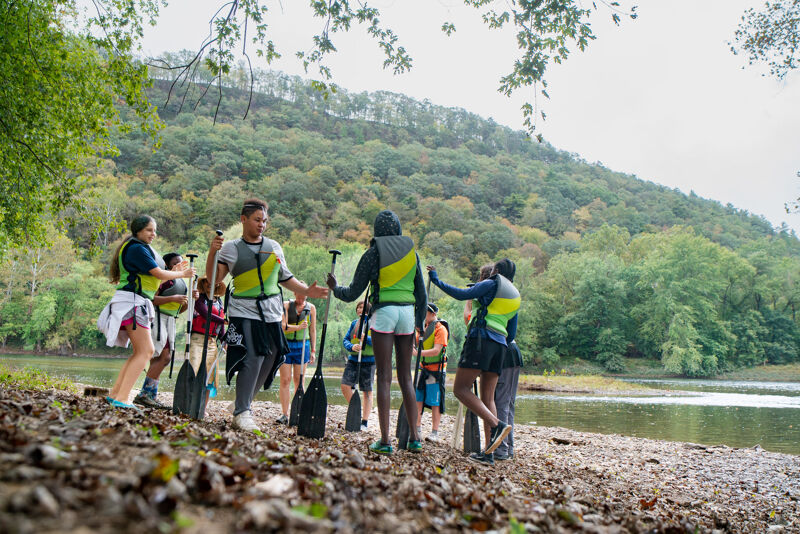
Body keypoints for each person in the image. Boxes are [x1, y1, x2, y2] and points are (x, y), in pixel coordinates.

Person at [206, 198, 327, 432]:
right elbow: (213, 280)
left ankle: (243, 402)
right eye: (257, 220)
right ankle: (242, 412)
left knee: (271, 356)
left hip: (271, 312)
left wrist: (306, 291)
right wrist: (212, 253)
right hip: (245, 311)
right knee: (253, 357)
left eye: (265, 221)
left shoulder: (274, 246)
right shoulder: (231, 248)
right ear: (244, 220)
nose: (262, 224)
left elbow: (285, 277)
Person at [327, 210, 427, 455]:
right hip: (406, 314)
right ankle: (415, 438)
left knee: (383, 376)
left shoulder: (373, 253)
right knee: (405, 377)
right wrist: (420, 323)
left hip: (384, 313)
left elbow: (353, 292)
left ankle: (385, 441)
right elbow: (422, 294)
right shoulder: (412, 255)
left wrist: (334, 288)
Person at [427, 258, 520, 465]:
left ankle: (497, 425)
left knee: (460, 389)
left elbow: (462, 294)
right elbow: (511, 332)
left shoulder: (492, 283)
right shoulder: (514, 296)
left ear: (496, 270)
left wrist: (436, 280)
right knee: (489, 399)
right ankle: (489, 454)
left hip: (480, 340)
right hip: (501, 347)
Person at [98, 216, 195, 409]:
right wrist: (182, 274)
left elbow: (154, 282)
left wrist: (174, 271)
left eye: (154, 230)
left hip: (134, 302)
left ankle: (116, 394)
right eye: (150, 230)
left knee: (140, 352)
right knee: (146, 351)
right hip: (132, 303)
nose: (154, 234)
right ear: (139, 231)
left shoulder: (137, 248)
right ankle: (121, 398)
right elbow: (159, 273)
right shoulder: (136, 249)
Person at [132, 252, 193, 409]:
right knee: (164, 357)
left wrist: (190, 299)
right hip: (158, 319)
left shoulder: (181, 283)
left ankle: (151, 394)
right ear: (166, 265)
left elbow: (179, 309)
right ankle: (145, 394)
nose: (179, 266)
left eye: (180, 263)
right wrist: (172, 298)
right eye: (174, 263)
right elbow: (150, 299)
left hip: (170, 320)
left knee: (162, 358)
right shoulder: (164, 281)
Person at [187, 276, 227, 417]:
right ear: (203, 284)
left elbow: (220, 327)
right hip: (197, 339)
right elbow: (205, 313)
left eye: (213, 281)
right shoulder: (199, 299)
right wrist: (224, 320)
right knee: (194, 370)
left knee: (209, 376)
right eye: (207, 281)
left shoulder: (220, 302)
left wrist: (224, 340)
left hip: (211, 342)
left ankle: (202, 408)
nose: (210, 283)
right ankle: (188, 403)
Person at [277, 290, 317, 424]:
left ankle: (298, 412)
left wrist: (313, 350)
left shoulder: (311, 308)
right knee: (285, 380)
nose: (301, 300)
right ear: (295, 294)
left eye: (304, 297)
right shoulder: (286, 305)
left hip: (302, 346)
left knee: (299, 381)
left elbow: (312, 330)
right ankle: (285, 414)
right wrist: (299, 327)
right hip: (286, 345)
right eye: (299, 297)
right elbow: (283, 327)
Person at [415, 303, 449, 442]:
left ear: (433, 314)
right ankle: (417, 428)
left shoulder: (440, 329)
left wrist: (417, 353)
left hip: (436, 371)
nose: (424, 315)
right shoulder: (421, 329)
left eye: (427, 313)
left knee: (435, 402)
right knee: (418, 398)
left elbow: (436, 350)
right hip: (422, 369)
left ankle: (434, 432)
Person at [341, 300, 374, 432]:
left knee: (367, 391)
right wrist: (352, 346)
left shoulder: (374, 324)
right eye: (358, 307)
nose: (360, 310)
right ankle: (356, 409)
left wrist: (366, 338)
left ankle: (364, 422)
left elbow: (379, 341)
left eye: (363, 308)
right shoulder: (354, 323)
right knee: (345, 386)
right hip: (353, 359)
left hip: (369, 361)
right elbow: (345, 340)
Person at [494, 339, 522, 460]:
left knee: (502, 404)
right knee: (506, 404)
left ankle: (502, 448)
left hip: (506, 352)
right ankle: (507, 448)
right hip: (507, 351)